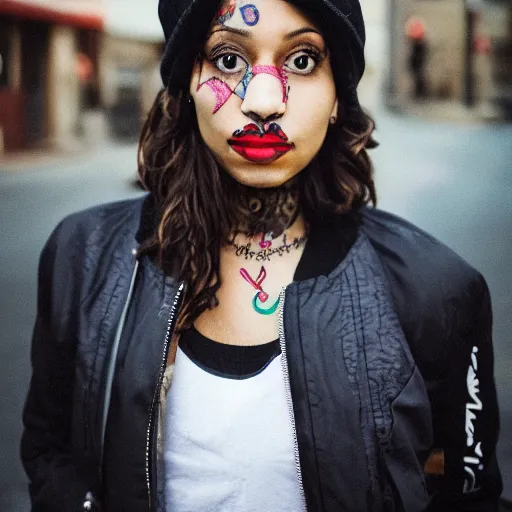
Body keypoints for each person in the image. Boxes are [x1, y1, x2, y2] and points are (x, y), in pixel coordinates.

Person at [21, 0, 502, 511]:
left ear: (340, 93)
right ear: (186, 79)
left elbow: (467, 493)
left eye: (302, 60)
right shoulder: (83, 258)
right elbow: (51, 453)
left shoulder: (436, 292)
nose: (264, 102)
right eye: (228, 59)